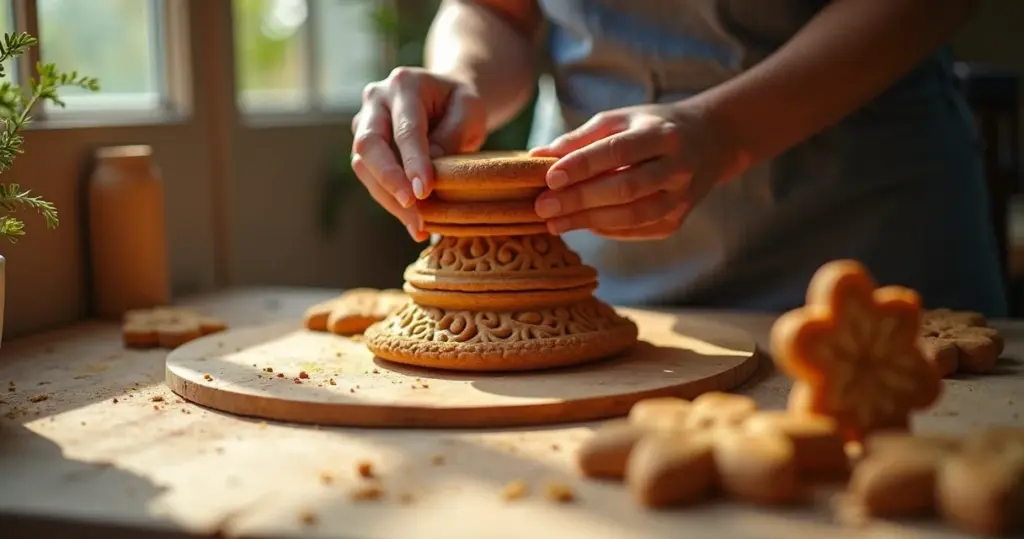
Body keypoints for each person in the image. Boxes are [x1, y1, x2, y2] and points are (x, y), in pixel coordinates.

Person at [350, 0, 1008, 317]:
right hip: (595, 275)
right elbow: (496, 9)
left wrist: (727, 130)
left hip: (869, 244)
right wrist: (462, 79)